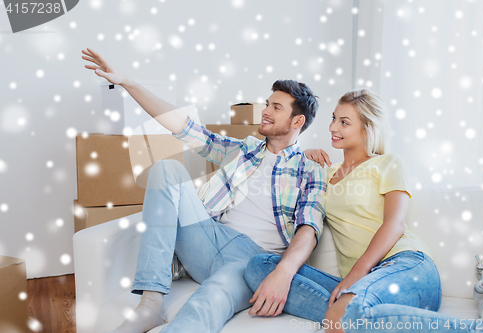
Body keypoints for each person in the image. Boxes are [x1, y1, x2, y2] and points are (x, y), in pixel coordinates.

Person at [81, 47, 327, 333]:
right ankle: (150, 305)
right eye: (267, 103)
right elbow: (185, 127)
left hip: (254, 260)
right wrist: (128, 82)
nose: (266, 111)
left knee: (208, 300)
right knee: (166, 169)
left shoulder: (309, 169)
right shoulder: (244, 149)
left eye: (276, 107)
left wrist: (283, 272)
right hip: (208, 238)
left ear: (298, 122)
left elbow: (308, 228)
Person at [244, 88, 483, 333]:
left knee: (344, 313)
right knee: (260, 266)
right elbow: (294, 197)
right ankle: (358, 315)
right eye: (333, 118)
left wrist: (354, 277)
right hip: (364, 285)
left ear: (367, 128)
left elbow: (394, 224)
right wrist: (301, 155)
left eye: (344, 122)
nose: (332, 127)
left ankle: (482, 330)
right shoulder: (324, 174)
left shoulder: (387, 163)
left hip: (405, 266)